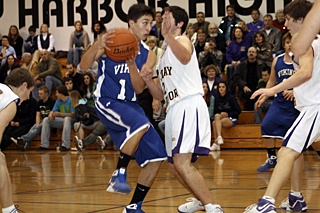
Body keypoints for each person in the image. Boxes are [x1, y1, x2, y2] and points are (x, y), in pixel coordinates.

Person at [79, 4, 167, 212]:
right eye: (145, 23)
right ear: (131, 23)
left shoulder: (147, 53)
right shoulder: (113, 41)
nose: (148, 28)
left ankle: (133, 207)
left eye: (151, 24)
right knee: (142, 124)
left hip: (130, 104)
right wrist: (95, 45)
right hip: (107, 100)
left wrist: (132, 66)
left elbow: (138, 88)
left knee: (157, 156)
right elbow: (83, 66)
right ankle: (118, 173)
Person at [140, 6, 224, 213]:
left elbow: (186, 57)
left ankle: (212, 206)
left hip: (188, 104)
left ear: (179, 24)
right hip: (173, 109)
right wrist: (148, 81)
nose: (163, 20)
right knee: (173, 164)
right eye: (163, 18)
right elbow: (160, 95)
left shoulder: (183, 40)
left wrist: (167, 34)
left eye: (167, 18)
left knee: (181, 161)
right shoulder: (165, 52)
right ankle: (198, 199)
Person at [245, 1, 318, 212]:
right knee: (295, 151)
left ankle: (266, 203)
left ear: (301, 20)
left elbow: (306, 73)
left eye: (288, 19)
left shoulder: (303, 44)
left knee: (286, 151)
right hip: (311, 106)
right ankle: (296, 197)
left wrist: (271, 90)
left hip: (315, 107)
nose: (284, 23)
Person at [255, 32, 299, 172]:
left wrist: (294, 92)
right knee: (267, 125)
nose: (290, 45)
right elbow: (272, 81)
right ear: (284, 44)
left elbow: (309, 81)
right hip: (279, 103)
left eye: (293, 42)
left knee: (308, 138)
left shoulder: (302, 60)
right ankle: (272, 157)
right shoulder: (277, 60)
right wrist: (265, 95)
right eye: (287, 42)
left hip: (297, 105)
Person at [0, 68, 35, 213]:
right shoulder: (10, 102)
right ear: (23, 85)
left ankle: (9, 209)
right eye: (29, 92)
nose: (28, 97)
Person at [11, 85, 55, 150]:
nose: (39, 95)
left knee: (41, 124)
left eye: (41, 93)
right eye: (38, 93)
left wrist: (39, 126)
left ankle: (23, 138)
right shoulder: (39, 102)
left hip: (51, 121)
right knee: (34, 127)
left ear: (46, 93)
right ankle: (24, 144)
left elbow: (52, 114)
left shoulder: (52, 101)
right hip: (43, 121)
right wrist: (37, 125)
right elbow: (37, 115)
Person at [37, 85, 75, 151]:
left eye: (57, 93)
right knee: (46, 120)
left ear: (61, 93)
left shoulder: (71, 99)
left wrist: (61, 114)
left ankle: (65, 145)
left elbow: (73, 114)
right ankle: (44, 145)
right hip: (62, 121)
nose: (56, 94)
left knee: (67, 119)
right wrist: (51, 114)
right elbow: (53, 110)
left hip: (72, 121)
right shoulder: (58, 101)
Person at [211, 81, 241, 151]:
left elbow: (238, 111)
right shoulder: (217, 98)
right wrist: (221, 114)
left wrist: (227, 114)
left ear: (226, 88)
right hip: (221, 118)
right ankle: (219, 137)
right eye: (220, 87)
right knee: (215, 119)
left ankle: (216, 143)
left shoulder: (231, 97)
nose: (221, 89)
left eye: (223, 87)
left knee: (215, 123)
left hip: (231, 118)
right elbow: (215, 111)